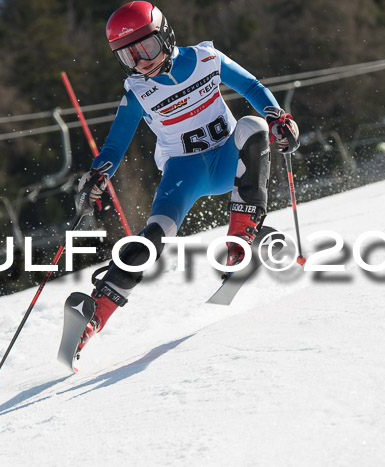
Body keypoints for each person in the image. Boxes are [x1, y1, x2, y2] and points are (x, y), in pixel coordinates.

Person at [71, 1, 299, 353]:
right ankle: (95, 315)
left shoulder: (206, 59)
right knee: (155, 233)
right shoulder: (138, 92)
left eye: (146, 47)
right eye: (128, 56)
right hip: (183, 172)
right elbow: (115, 147)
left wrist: (277, 117)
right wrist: (97, 177)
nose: (141, 61)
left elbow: (252, 87)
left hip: (228, 158)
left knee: (253, 126)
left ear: (164, 34)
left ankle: (240, 239)